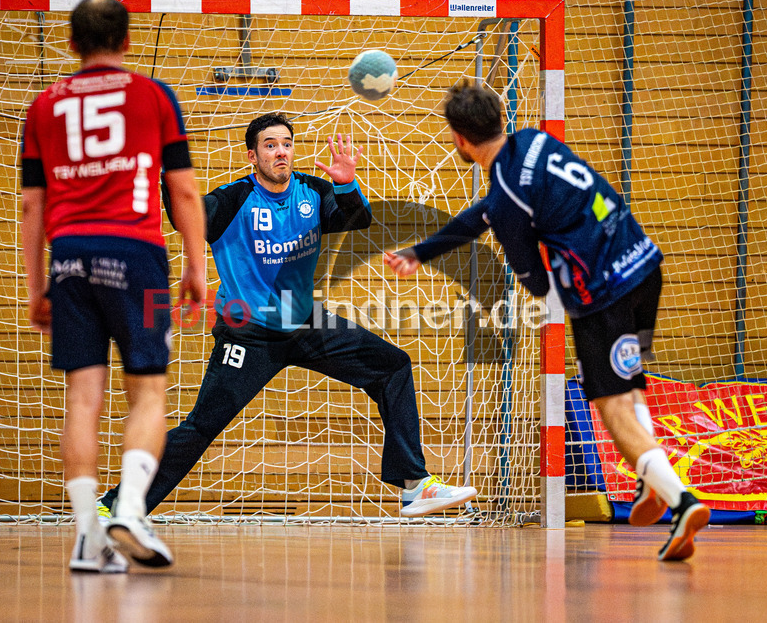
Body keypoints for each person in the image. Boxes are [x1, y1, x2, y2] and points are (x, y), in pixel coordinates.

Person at [383, 79, 710, 561]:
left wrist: (536, 280)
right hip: (645, 265)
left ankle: (682, 502)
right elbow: (486, 213)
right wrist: (423, 251)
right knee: (631, 385)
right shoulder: (534, 141)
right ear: (500, 115)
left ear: (459, 139)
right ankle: (654, 483)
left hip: (603, 293)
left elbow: (533, 280)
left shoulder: (506, 199)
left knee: (612, 407)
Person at [98, 112, 476, 519]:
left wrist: (346, 182)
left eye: (286, 144)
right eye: (270, 145)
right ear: (252, 155)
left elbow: (357, 218)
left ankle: (414, 486)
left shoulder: (310, 191)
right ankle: (118, 504)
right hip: (248, 333)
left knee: (392, 367)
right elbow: (183, 215)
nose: (281, 152)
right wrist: (160, 170)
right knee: (200, 427)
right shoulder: (233, 200)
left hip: (305, 324)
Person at [20, 0, 206, 572]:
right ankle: (129, 506)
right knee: (147, 391)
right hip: (137, 253)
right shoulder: (152, 95)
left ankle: (86, 537)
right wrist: (197, 265)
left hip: (70, 257)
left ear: (72, 44)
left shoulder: (44, 105)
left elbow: (32, 205)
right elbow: (183, 191)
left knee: (82, 396)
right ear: (127, 42)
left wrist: (36, 286)